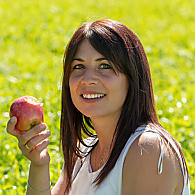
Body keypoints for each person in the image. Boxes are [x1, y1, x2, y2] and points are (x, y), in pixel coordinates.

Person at [7, 19, 190, 195]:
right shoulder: (83, 151)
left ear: (132, 77)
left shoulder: (148, 149)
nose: (88, 79)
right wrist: (39, 164)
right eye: (78, 66)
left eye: (104, 66)